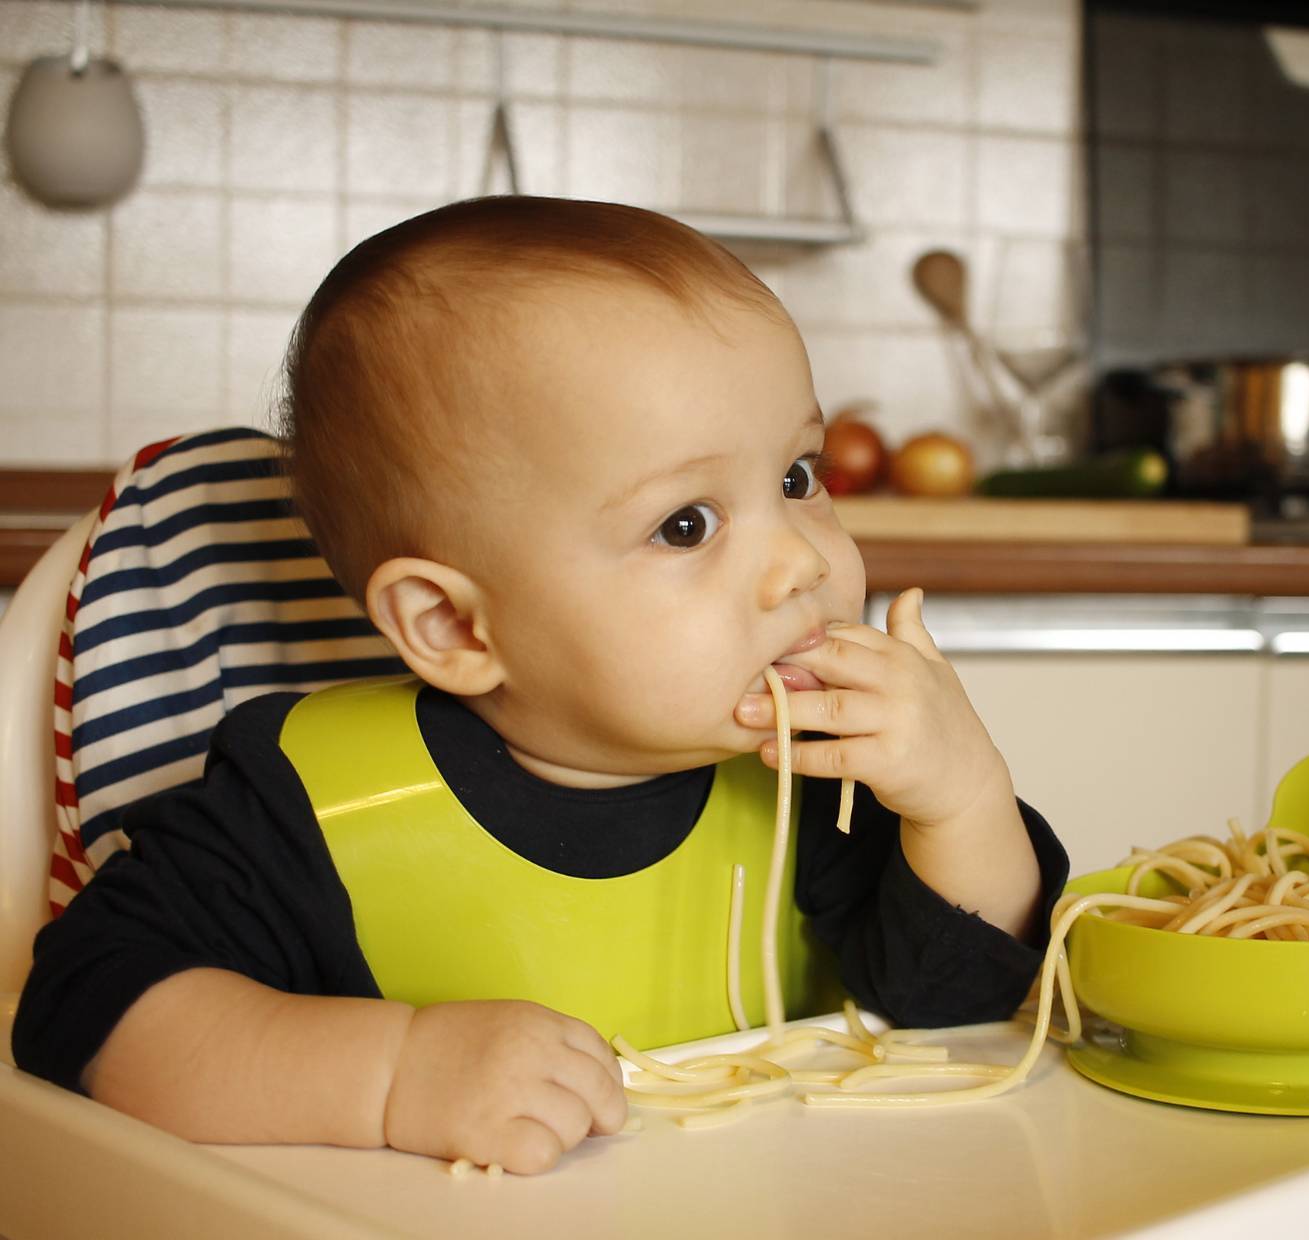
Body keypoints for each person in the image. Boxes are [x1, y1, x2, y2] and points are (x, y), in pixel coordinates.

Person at [11, 197, 1070, 1175]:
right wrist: (393, 1073)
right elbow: (81, 1012)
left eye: (796, 476)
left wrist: (962, 797)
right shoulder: (308, 809)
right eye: (685, 524)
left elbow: (957, 1012)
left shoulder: (812, 778)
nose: (801, 560)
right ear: (455, 626)